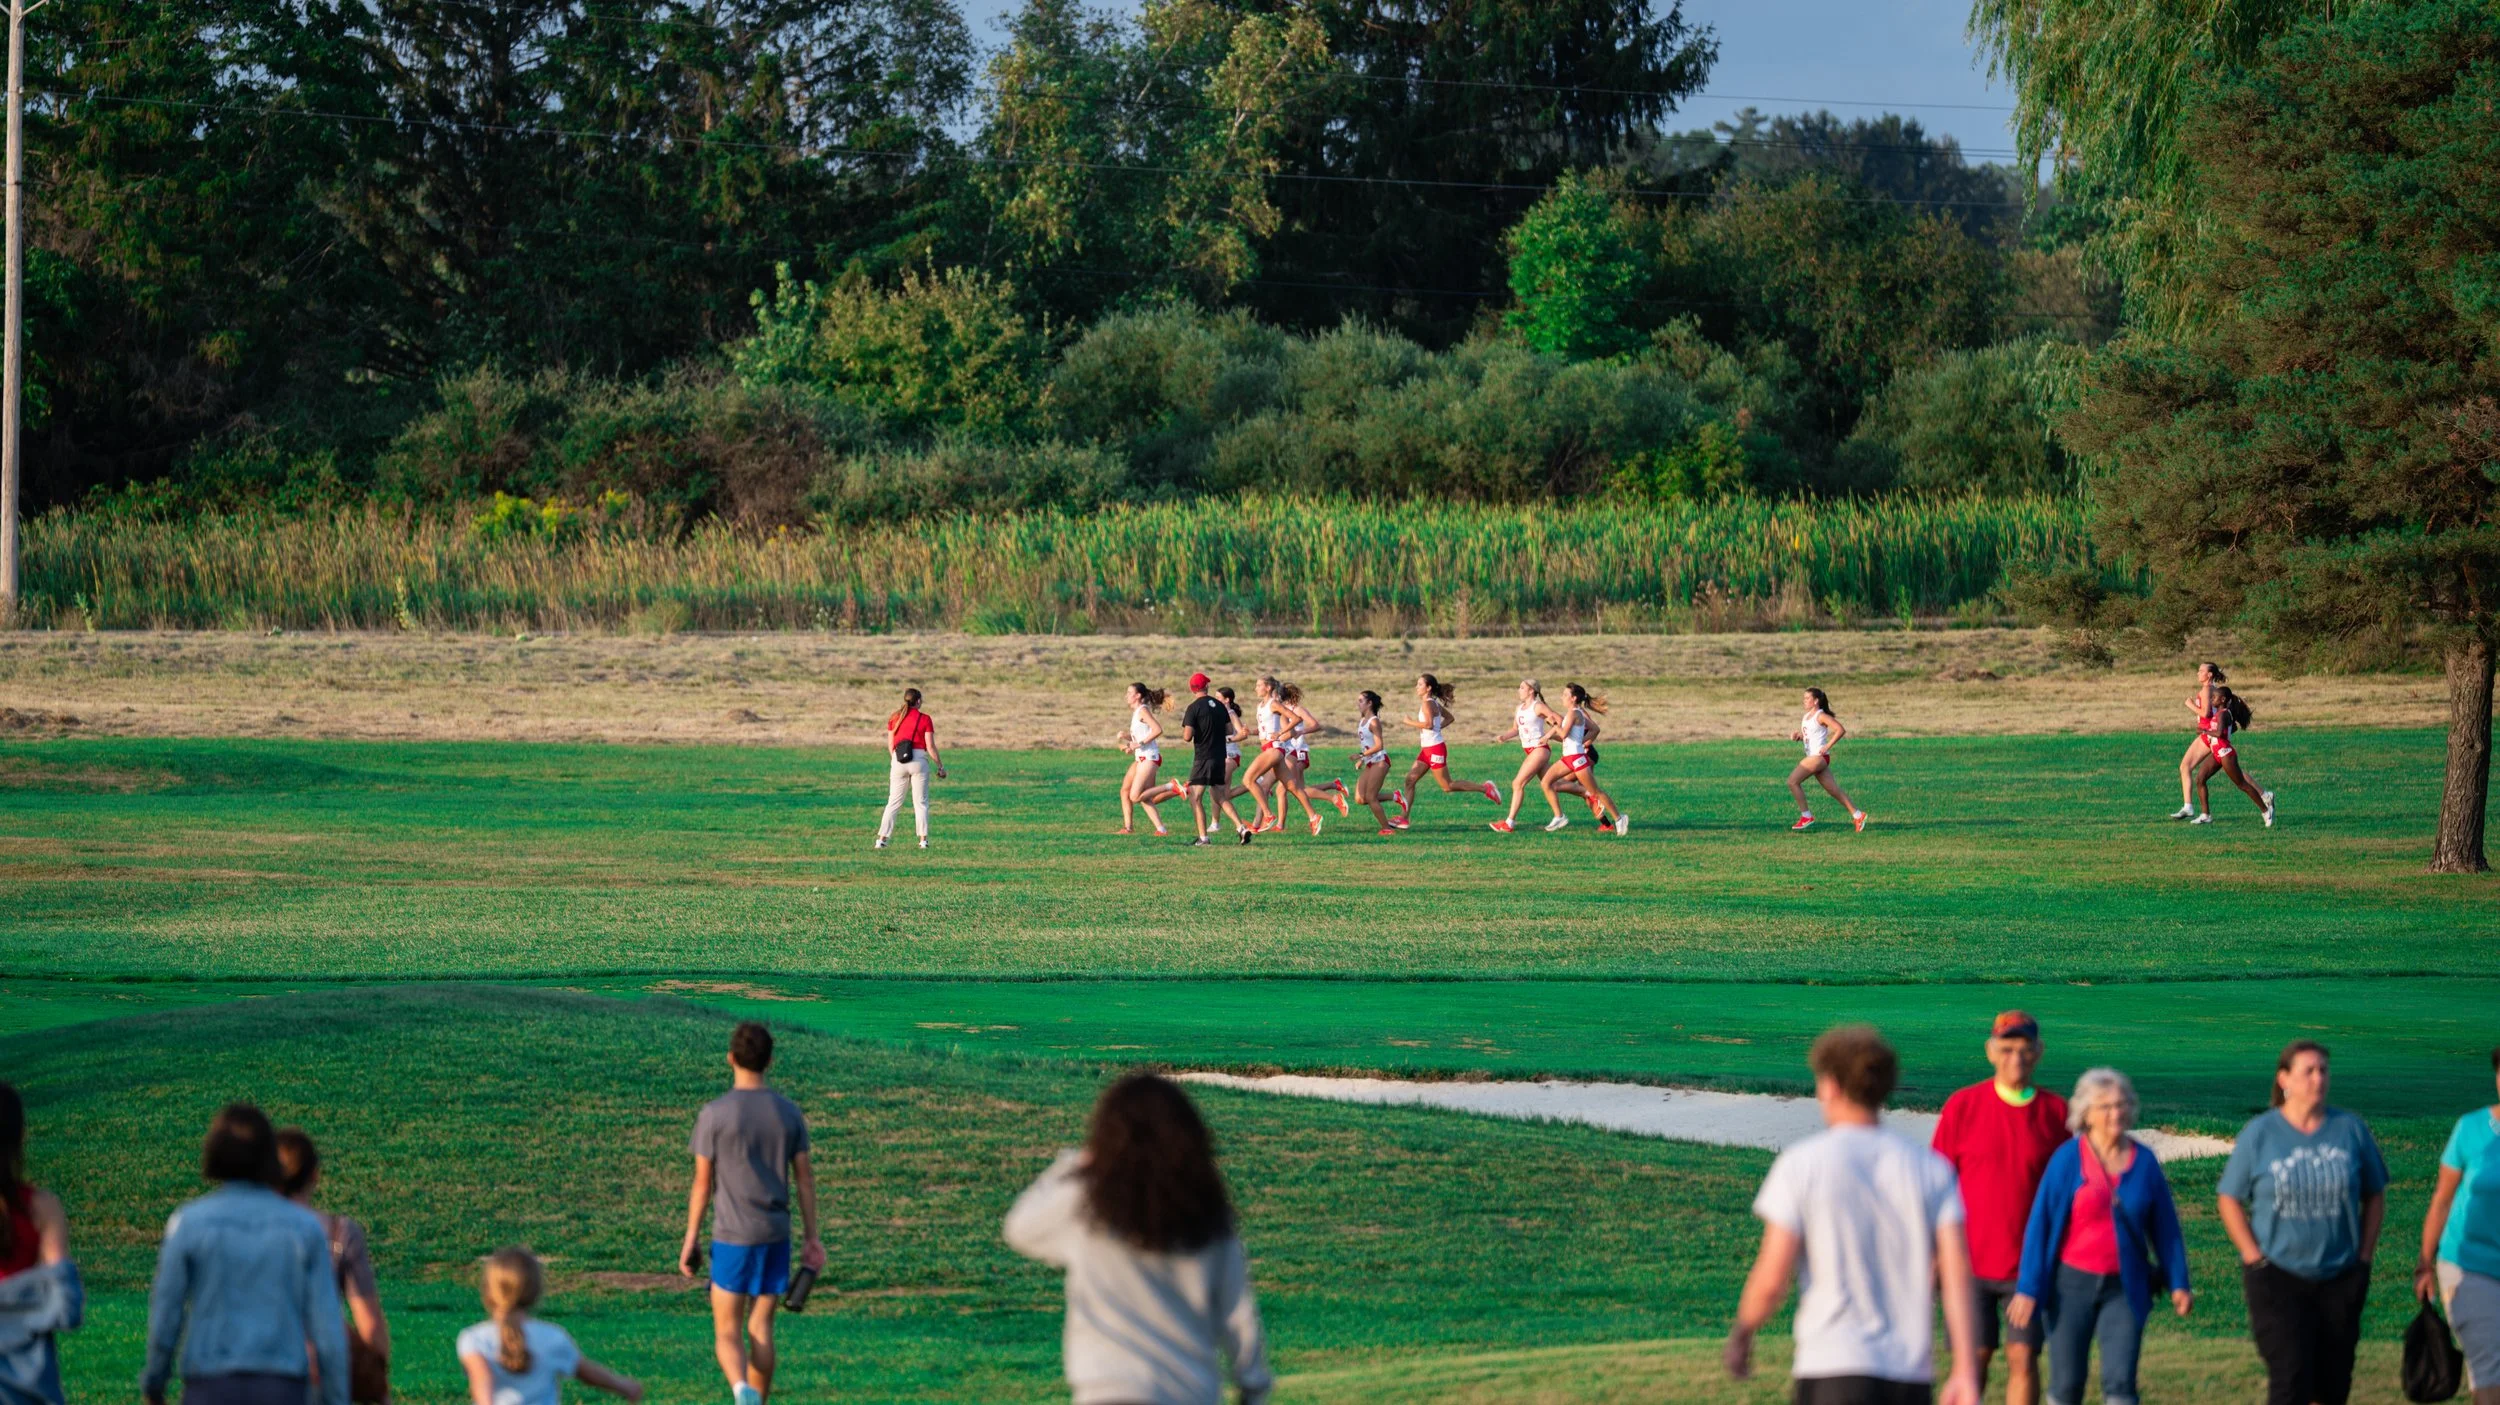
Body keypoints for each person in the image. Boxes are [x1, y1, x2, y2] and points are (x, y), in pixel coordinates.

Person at [1727, 1026, 1982, 1405]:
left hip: (1832, 1365)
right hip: (1908, 1373)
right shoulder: (1930, 1168)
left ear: (1829, 1085)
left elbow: (1772, 1276)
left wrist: (1743, 1332)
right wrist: (1965, 1368)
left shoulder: (1802, 1164)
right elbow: (1957, 1272)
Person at [1004, 1073, 1272, 1405]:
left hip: (1111, 1389)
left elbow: (1020, 1227)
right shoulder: (1207, 1211)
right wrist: (1253, 1387)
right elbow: (1237, 1314)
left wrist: (1077, 1163)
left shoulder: (1087, 1203)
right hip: (1190, 1391)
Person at [2007, 1068, 2192, 1405]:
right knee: (2066, 1384)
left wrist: (2178, 1281)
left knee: (2120, 1383)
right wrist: (2029, 1288)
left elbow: (2166, 1228)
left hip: (2125, 1287)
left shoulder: (2145, 1163)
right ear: (2086, 1114)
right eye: (2105, 1106)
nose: (2116, 1113)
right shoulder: (2067, 1159)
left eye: (2122, 1104)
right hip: (2069, 1287)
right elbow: (2041, 1224)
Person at [2218, 1039, 2388, 1405]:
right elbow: (2229, 1197)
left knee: (2333, 1382)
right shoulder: (2261, 1134)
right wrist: (2253, 1256)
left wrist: (2364, 1258)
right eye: (2307, 1070)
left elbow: (2375, 1193)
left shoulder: (2350, 1130)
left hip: (2340, 1275)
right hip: (2277, 1275)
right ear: (2285, 1079)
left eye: (2323, 1070)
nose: (2318, 1078)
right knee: (2290, 1376)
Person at [143, 1103, 348, 1405]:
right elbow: (328, 1328)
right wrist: (335, 1397)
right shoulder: (303, 1228)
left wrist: (155, 1381)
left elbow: (167, 1312)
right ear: (269, 1157)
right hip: (282, 1383)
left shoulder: (189, 1223)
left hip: (210, 1382)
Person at [1930, 1011, 2071, 1405]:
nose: (2016, 1059)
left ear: (2038, 1053)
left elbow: (2064, 1194)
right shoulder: (1963, 1106)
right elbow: (1937, 1185)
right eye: (2007, 1049)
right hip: (1968, 1261)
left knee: (2023, 1356)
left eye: (2025, 1050)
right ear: (1990, 1052)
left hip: (2028, 1264)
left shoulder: (2055, 1114)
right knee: (1972, 1361)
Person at [680, 1022, 824, 1405]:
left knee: (727, 1331)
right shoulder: (788, 1113)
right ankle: (757, 1399)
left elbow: (702, 1185)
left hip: (731, 1235)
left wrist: (690, 1239)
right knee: (761, 1326)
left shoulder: (714, 1114)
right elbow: (805, 1180)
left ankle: (742, 1391)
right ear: (770, 1061)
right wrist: (812, 1238)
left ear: (731, 1058)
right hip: (774, 1233)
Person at [276, 1128, 390, 1403]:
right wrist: (377, 1383)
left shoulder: (237, 1235)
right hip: (320, 1373)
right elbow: (370, 1324)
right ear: (314, 1174)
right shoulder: (339, 1233)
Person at [2415, 1046, 2500, 1404]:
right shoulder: (2471, 1129)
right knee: (2490, 1369)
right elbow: (2442, 1200)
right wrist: (2425, 1261)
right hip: (2470, 1266)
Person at [458, 1246, 643, 1405]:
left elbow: (482, 1381)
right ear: (536, 1291)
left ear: (488, 1291)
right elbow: (587, 1373)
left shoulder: (474, 1339)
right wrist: (625, 1386)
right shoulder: (553, 1337)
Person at [0, 1082, 77, 1405]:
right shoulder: (42, 1208)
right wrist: (29, 1297)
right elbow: (66, 1306)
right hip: (31, 1388)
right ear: (21, 1136)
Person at [1397, 674, 1500, 825]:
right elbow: (1449, 718)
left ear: (1428, 688)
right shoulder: (1433, 703)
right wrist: (1437, 729)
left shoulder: (1428, 704)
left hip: (1434, 749)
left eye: (1420, 684)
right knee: (1410, 780)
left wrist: (1409, 722)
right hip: (1427, 749)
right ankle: (1403, 818)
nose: (1416, 687)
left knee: (1447, 786)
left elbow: (1428, 725)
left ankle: (1486, 788)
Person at [1539, 684, 1627, 835]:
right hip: (1568, 758)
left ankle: (1619, 818)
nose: (1562, 697)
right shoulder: (1574, 713)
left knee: (1596, 792)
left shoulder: (1574, 713)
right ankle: (1559, 816)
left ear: (1573, 698)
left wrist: (1553, 723)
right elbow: (1595, 730)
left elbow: (1564, 734)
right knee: (1546, 782)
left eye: (1565, 694)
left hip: (1577, 759)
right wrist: (1578, 740)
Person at [1178, 674, 1254, 846]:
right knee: (1219, 795)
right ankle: (1241, 828)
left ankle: (1203, 838)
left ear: (1192, 689)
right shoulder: (1220, 706)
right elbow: (1228, 730)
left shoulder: (1193, 708)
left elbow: (1187, 736)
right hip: (1220, 756)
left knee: (1195, 797)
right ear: (1206, 687)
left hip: (1203, 757)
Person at [2188, 684, 2275, 827]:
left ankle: (2266, 811)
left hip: (2226, 754)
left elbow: (2218, 733)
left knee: (2242, 784)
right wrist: (2222, 732)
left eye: (2214, 698)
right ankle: (2205, 815)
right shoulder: (2222, 713)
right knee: (2200, 779)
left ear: (2222, 699)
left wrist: (2205, 731)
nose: (2211, 700)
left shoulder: (2223, 714)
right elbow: (2231, 728)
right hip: (2217, 753)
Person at [1488, 679, 1563, 834]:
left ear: (1531, 691)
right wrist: (1504, 737)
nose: (1519, 690)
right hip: (1531, 750)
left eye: (1522, 687)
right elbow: (1515, 729)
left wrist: (1549, 734)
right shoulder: (1519, 708)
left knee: (1517, 783)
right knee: (1552, 784)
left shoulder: (1538, 706)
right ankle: (1587, 794)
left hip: (1539, 749)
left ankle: (1509, 823)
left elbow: (1559, 720)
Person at [1789, 687, 1868, 833]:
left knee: (1792, 781)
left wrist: (1827, 745)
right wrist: (1799, 737)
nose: (1804, 701)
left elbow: (1840, 729)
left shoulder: (1821, 715)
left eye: (1807, 698)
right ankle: (1858, 815)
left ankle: (1806, 816)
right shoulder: (1807, 717)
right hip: (1815, 757)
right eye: (1804, 698)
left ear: (1816, 701)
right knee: (1834, 790)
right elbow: (1811, 737)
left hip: (1818, 758)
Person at [876, 687, 946, 850]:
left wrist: (896, 760)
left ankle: (882, 840)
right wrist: (940, 766)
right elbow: (930, 746)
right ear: (919, 701)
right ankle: (923, 840)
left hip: (898, 759)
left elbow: (891, 745)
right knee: (920, 802)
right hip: (919, 760)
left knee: (893, 802)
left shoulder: (895, 718)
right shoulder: (925, 719)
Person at [1116, 683, 1173, 837]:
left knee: (1135, 796)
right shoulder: (1137, 712)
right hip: (1142, 757)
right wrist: (1128, 741)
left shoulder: (1143, 711)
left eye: (1129, 692)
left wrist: (1138, 744)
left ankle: (1171, 786)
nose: (1126, 695)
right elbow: (1140, 737)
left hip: (1149, 758)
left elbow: (1157, 730)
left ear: (1138, 696)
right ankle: (1160, 829)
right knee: (1135, 794)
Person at [2169, 663, 2224, 820]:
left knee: (2235, 774)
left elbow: (2206, 713)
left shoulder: (2207, 690)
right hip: (2208, 734)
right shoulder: (2211, 689)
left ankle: (2263, 795)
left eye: (2201, 671)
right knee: (2185, 766)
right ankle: (2188, 807)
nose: (2198, 673)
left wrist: (2190, 705)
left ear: (2210, 675)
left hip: (2209, 735)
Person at [1350, 690, 1404, 835]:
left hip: (1380, 761)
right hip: (1370, 762)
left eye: (1361, 701)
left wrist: (1361, 755)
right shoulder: (1362, 721)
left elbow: (1379, 745)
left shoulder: (1374, 721)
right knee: (1360, 798)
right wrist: (1362, 760)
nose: (1358, 703)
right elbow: (1367, 744)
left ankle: (1386, 828)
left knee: (1371, 797)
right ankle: (1395, 796)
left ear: (1369, 703)